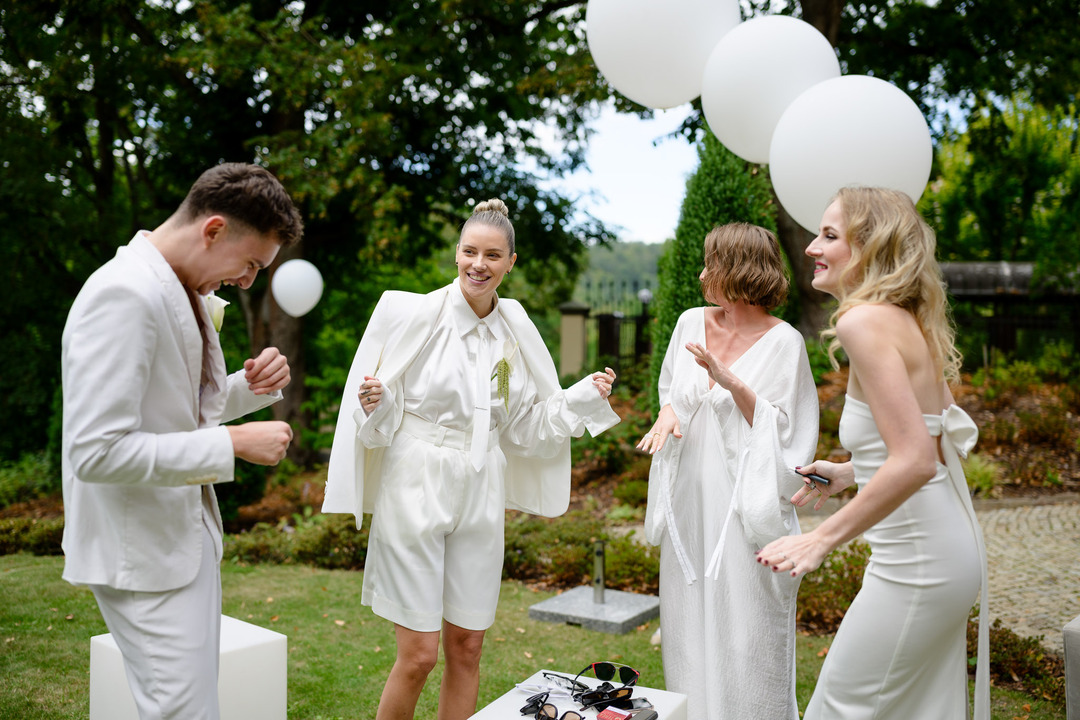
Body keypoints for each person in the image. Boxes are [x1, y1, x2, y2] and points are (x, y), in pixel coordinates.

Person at [322, 199, 620, 720]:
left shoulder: (514, 330)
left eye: (492, 255)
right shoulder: (418, 315)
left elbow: (525, 429)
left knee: (467, 648)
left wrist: (581, 398)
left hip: (482, 484)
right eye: (469, 252)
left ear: (511, 262)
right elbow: (382, 424)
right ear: (457, 253)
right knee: (417, 656)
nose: (478, 264)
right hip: (416, 480)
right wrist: (378, 404)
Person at [61, 162, 303, 720]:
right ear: (213, 230)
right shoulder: (123, 294)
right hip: (141, 553)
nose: (248, 281)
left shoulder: (174, 287)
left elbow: (170, 412)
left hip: (178, 544)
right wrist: (234, 445)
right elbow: (97, 451)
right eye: (249, 264)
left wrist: (248, 389)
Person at [756, 187, 989, 720]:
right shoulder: (906, 321)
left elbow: (917, 460)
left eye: (831, 236)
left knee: (840, 708)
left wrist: (819, 539)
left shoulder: (863, 322)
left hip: (918, 564)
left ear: (871, 248)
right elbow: (934, 440)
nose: (813, 246)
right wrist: (848, 472)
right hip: (944, 552)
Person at [636, 223, 819, 719]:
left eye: (710, 263)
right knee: (687, 619)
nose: (701, 274)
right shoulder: (689, 322)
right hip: (691, 497)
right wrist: (668, 412)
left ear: (737, 269)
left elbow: (788, 431)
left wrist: (730, 381)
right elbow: (672, 391)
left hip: (745, 504)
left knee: (746, 625)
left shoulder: (785, 343)